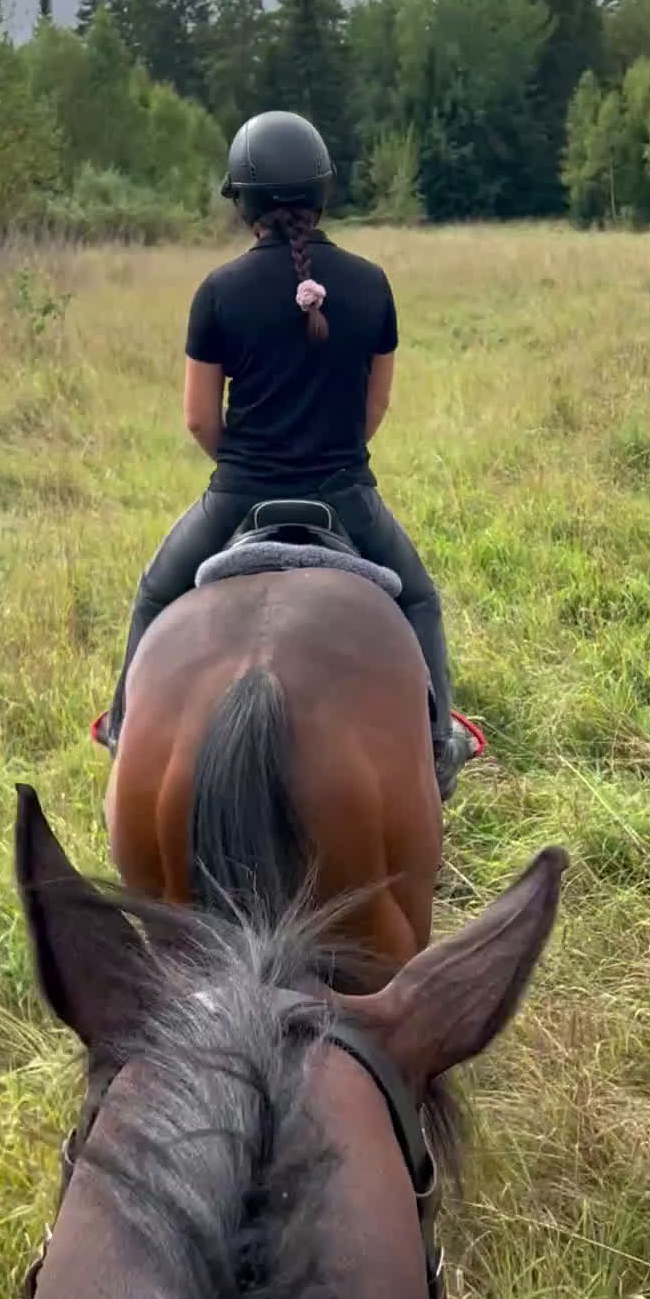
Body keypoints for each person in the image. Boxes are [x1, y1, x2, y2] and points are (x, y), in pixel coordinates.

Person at [99, 108, 471, 799]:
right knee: (418, 597)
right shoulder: (370, 283)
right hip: (345, 496)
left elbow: (197, 419)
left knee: (154, 593)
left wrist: (242, 462)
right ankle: (438, 746)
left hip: (239, 494)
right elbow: (375, 408)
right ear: (323, 193)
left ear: (244, 202)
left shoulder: (217, 292)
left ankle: (123, 734)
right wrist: (332, 454)